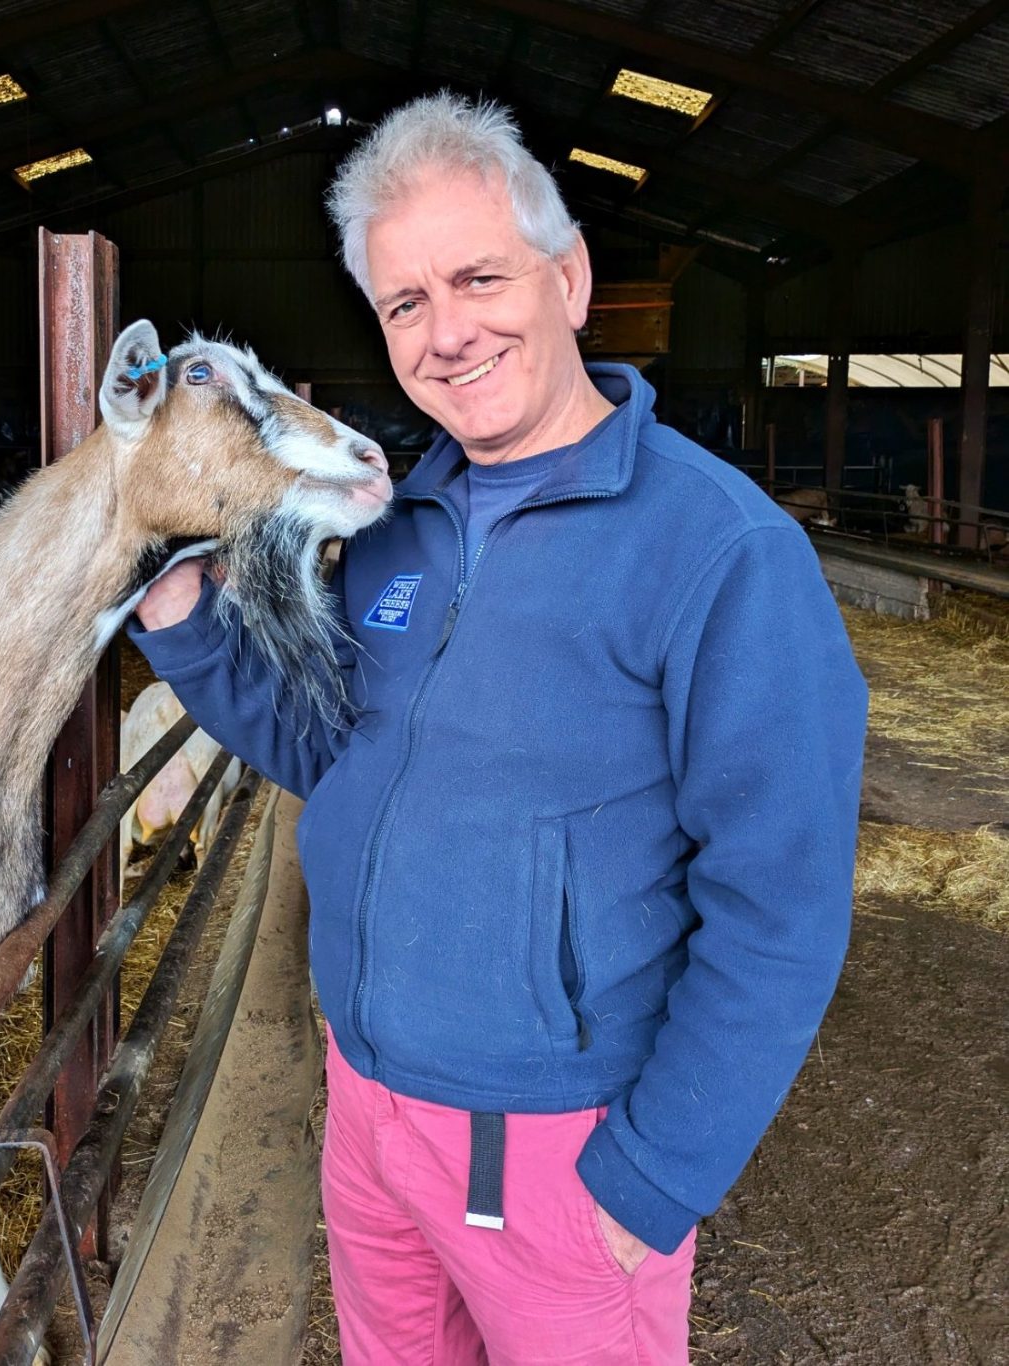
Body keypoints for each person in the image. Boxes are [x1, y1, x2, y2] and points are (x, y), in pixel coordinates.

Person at [130, 93, 868, 1365]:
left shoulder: (721, 550)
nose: (447, 331)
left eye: (478, 276)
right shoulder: (393, 531)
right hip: (368, 1119)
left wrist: (654, 1174)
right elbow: (333, 752)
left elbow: (783, 900)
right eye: (405, 302)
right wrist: (183, 615)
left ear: (569, 276)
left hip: (559, 1155)